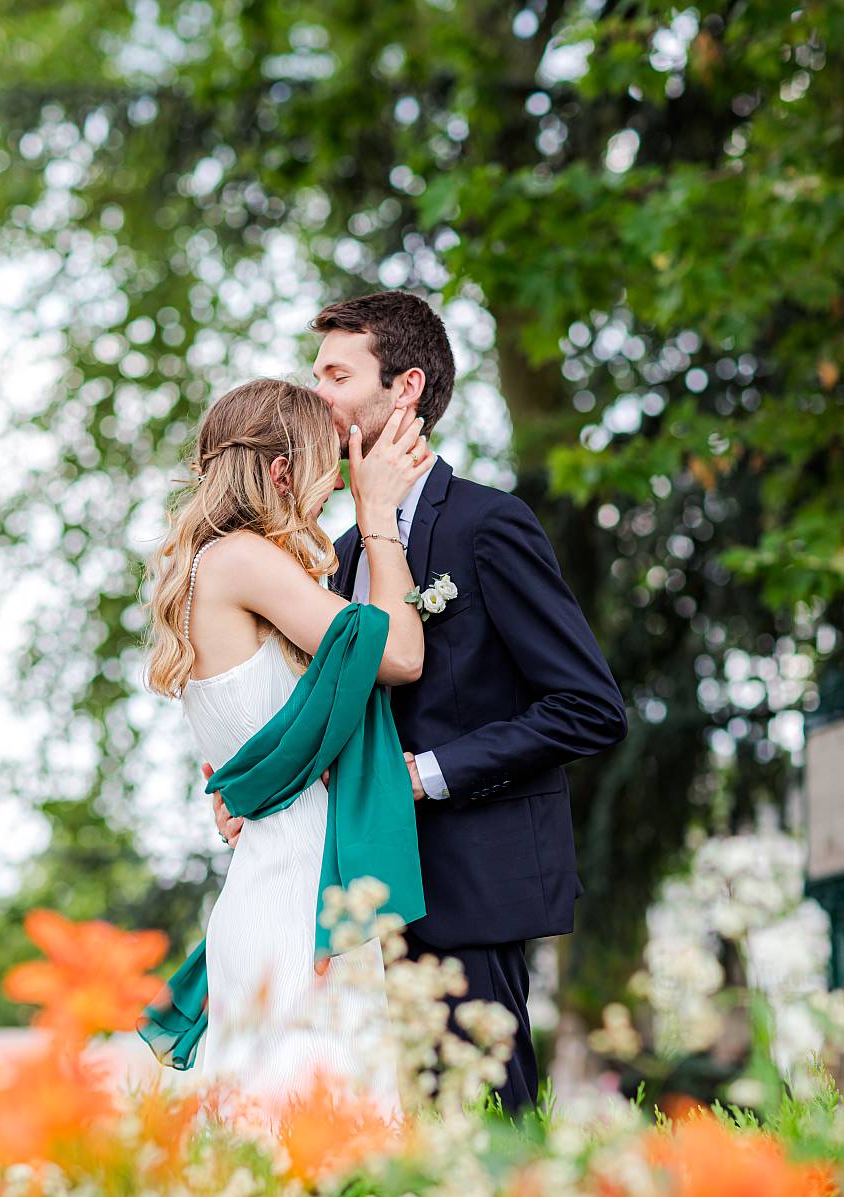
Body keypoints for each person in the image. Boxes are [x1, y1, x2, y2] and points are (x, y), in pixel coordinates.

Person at [212, 293, 629, 1116]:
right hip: (357, 896)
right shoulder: (334, 554)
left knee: (489, 1128)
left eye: (336, 373)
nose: (318, 393)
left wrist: (426, 775)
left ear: (404, 388)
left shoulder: (486, 524)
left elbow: (588, 706)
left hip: (470, 882)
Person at [144, 376, 432, 1121]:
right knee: (314, 1117)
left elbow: (258, 746)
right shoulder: (242, 559)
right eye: (329, 468)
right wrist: (378, 520)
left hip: (278, 873)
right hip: (299, 886)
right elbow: (399, 653)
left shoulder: (210, 566)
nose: (337, 487)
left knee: (297, 1116)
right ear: (279, 472)